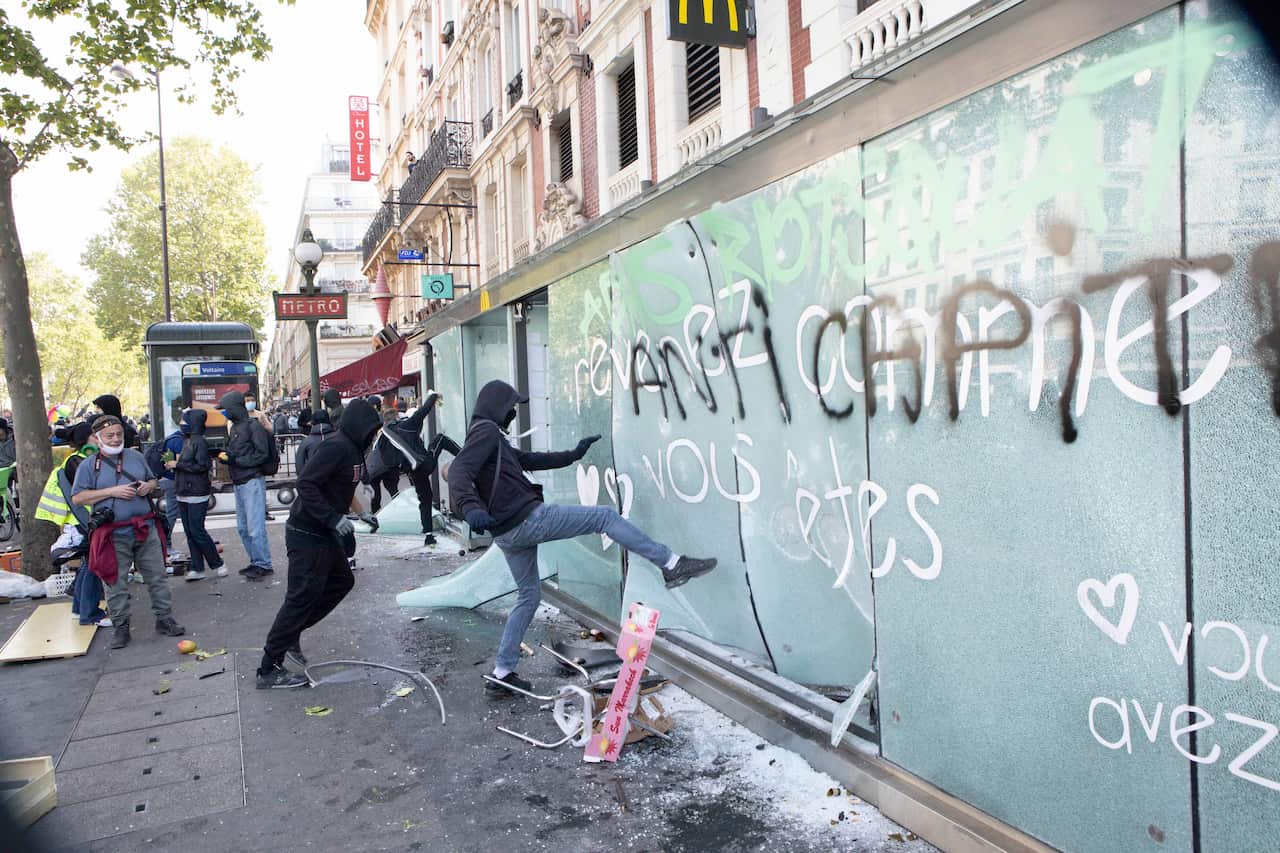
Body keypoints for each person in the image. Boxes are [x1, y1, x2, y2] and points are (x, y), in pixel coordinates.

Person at [449, 381, 718, 694]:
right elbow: (458, 472)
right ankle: (671, 563)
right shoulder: (486, 431)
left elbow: (528, 460)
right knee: (604, 516)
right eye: (510, 406)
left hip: (508, 534)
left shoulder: (491, 437)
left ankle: (503, 670)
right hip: (526, 521)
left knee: (529, 596)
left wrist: (573, 454)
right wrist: (471, 508)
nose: (512, 413)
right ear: (497, 405)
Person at [256, 399, 382, 689]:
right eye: (371, 430)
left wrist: (362, 512)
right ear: (359, 427)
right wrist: (332, 518)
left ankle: (291, 635)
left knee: (342, 581)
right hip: (306, 532)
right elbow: (307, 484)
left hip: (324, 534)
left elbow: (343, 486)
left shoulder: (353, 450)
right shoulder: (335, 447)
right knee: (299, 598)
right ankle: (268, 668)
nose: (373, 436)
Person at [71, 415, 185, 648]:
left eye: (118, 435)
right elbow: (78, 497)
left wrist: (148, 487)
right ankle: (121, 627)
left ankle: (164, 619)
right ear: (98, 438)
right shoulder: (88, 465)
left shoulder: (135, 457)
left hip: (145, 527)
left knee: (157, 576)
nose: (115, 439)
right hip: (112, 534)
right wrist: (112, 491)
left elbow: (153, 481)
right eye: (109, 436)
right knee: (115, 583)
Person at [36, 421, 109, 626]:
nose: (101, 440)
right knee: (92, 568)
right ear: (85, 441)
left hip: (82, 523)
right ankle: (89, 613)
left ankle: (81, 609)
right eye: (96, 437)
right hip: (84, 523)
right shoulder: (79, 462)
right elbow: (85, 495)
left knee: (88, 566)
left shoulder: (77, 460)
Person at [379, 391, 458, 546]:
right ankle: (465, 455)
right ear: (397, 418)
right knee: (440, 439)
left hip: (413, 472)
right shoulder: (406, 425)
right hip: (425, 464)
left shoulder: (385, 437)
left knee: (425, 498)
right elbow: (423, 411)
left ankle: (428, 534)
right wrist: (433, 397)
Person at [217, 391, 275, 580]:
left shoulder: (253, 427)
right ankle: (256, 561)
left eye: (225, 409)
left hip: (251, 480)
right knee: (243, 527)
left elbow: (262, 454)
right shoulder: (235, 427)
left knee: (255, 527)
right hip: (240, 481)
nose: (224, 413)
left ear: (233, 408)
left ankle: (263, 564)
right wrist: (226, 457)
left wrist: (236, 460)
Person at [169, 410, 226, 581]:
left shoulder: (198, 442)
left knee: (196, 530)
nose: (181, 423)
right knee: (190, 531)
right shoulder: (189, 440)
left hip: (195, 492)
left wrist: (178, 465)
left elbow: (202, 466)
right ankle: (197, 566)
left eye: (184, 420)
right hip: (184, 491)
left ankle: (217, 563)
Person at [294, 408, 333, 473]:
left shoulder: (306, 441)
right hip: (336, 480)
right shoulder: (339, 438)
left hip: (313, 479)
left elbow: (299, 465)